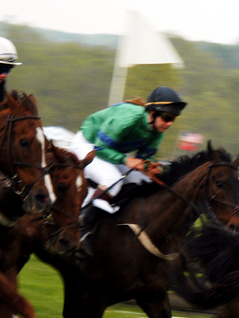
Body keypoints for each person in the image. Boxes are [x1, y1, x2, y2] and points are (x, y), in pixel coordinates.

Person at [71, 86, 186, 250]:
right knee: (113, 180)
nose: (169, 123)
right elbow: (99, 148)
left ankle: (114, 221)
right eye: (167, 117)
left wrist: (148, 167)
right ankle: (82, 227)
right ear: (152, 112)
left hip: (110, 152)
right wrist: (126, 159)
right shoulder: (129, 117)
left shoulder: (157, 132)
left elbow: (144, 159)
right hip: (87, 145)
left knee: (142, 181)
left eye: (173, 119)